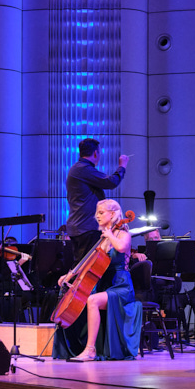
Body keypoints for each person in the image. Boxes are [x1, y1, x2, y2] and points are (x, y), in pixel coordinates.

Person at [53, 199, 139, 360]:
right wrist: (70, 275)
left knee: (92, 300)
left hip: (121, 287)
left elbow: (121, 247)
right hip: (106, 286)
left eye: (101, 212)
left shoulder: (123, 235)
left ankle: (90, 350)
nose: (97, 216)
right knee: (78, 301)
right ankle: (73, 347)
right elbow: (88, 262)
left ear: (112, 214)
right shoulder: (102, 239)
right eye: (97, 213)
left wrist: (110, 235)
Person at [66, 137, 130, 259]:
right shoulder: (83, 169)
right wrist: (122, 166)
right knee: (85, 265)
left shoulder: (79, 169)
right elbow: (111, 182)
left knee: (83, 264)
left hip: (81, 226)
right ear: (96, 153)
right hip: (86, 227)